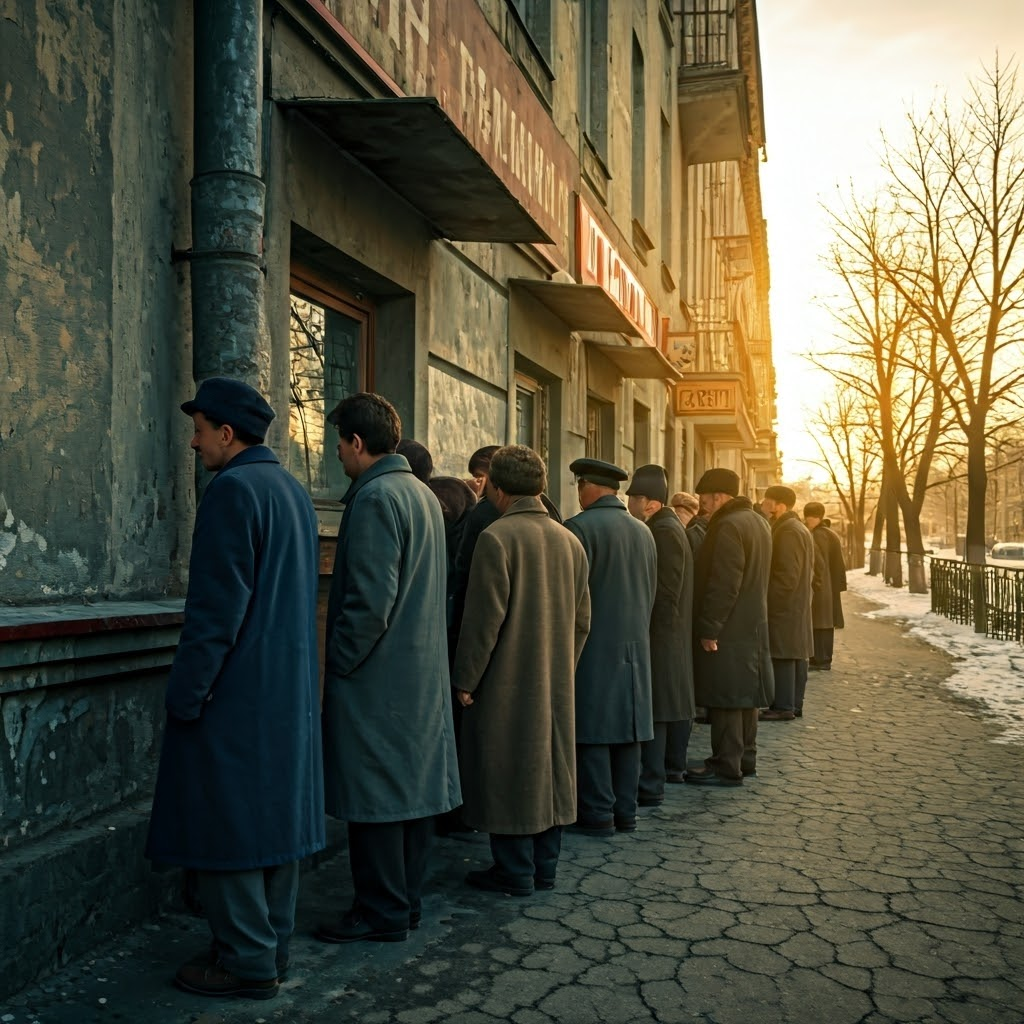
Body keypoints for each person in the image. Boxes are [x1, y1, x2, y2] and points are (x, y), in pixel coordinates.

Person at [146, 377, 324, 1001]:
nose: (192, 443)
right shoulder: (293, 493)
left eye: (198, 431)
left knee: (226, 826)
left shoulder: (232, 491)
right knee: (273, 824)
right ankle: (268, 949)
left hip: (235, 691)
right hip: (285, 691)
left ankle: (246, 961)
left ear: (226, 433)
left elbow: (215, 613)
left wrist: (186, 695)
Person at [317, 393, 460, 945]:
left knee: (375, 798)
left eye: (339, 445)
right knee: (412, 796)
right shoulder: (421, 494)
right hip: (419, 670)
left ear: (357, 443)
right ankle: (405, 903)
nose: (337, 457)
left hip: (378, 676)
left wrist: (340, 664)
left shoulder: (376, 497)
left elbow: (369, 603)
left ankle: (381, 911)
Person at [453, 445, 591, 895]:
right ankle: (544, 868)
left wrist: (465, 681)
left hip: (506, 678)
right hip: (555, 678)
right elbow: (582, 619)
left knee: (508, 767)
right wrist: (563, 665)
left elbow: (482, 622)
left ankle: (513, 871)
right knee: (550, 768)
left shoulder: (497, 537)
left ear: (497, 486)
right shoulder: (569, 539)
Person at [565, 457, 657, 835]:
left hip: (592, 645)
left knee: (592, 729)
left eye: (578, 486)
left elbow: (569, 597)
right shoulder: (643, 532)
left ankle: (597, 813)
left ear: (588, 486)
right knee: (629, 729)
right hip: (635, 644)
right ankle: (625, 811)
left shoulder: (578, 528)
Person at [686, 468, 773, 787]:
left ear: (719, 496)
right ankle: (745, 758)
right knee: (744, 695)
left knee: (725, 696)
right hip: (751, 624)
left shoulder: (727, 525)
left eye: (704, 498)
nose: (701, 504)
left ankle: (725, 765)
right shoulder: (757, 522)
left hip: (729, 626)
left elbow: (724, 582)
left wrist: (710, 628)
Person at [625, 465, 695, 807]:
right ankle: (661, 776)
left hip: (663, 635)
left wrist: (650, 629)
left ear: (649, 503)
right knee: (665, 707)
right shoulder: (667, 525)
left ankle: (651, 784)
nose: (629, 506)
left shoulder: (663, 531)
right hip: (669, 634)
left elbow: (666, 590)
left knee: (657, 710)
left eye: (633, 500)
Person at [759, 485, 815, 723]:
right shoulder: (796, 528)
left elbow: (787, 574)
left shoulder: (788, 531)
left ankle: (783, 706)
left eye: (767, 501)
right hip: (795, 605)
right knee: (794, 654)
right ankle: (792, 704)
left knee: (784, 653)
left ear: (779, 505)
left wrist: (769, 600)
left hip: (786, 606)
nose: (763, 505)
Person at [803, 502, 847, 675]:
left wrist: (816, 584)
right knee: (825, 622)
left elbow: (818, 564)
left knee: (820, 622)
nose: (807, 521)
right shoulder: (829, 533)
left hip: (822, 586)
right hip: (830, 585)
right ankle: (822, 659)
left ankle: (820, 660)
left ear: (816, 517)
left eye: (809, 517)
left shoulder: (818, 535)